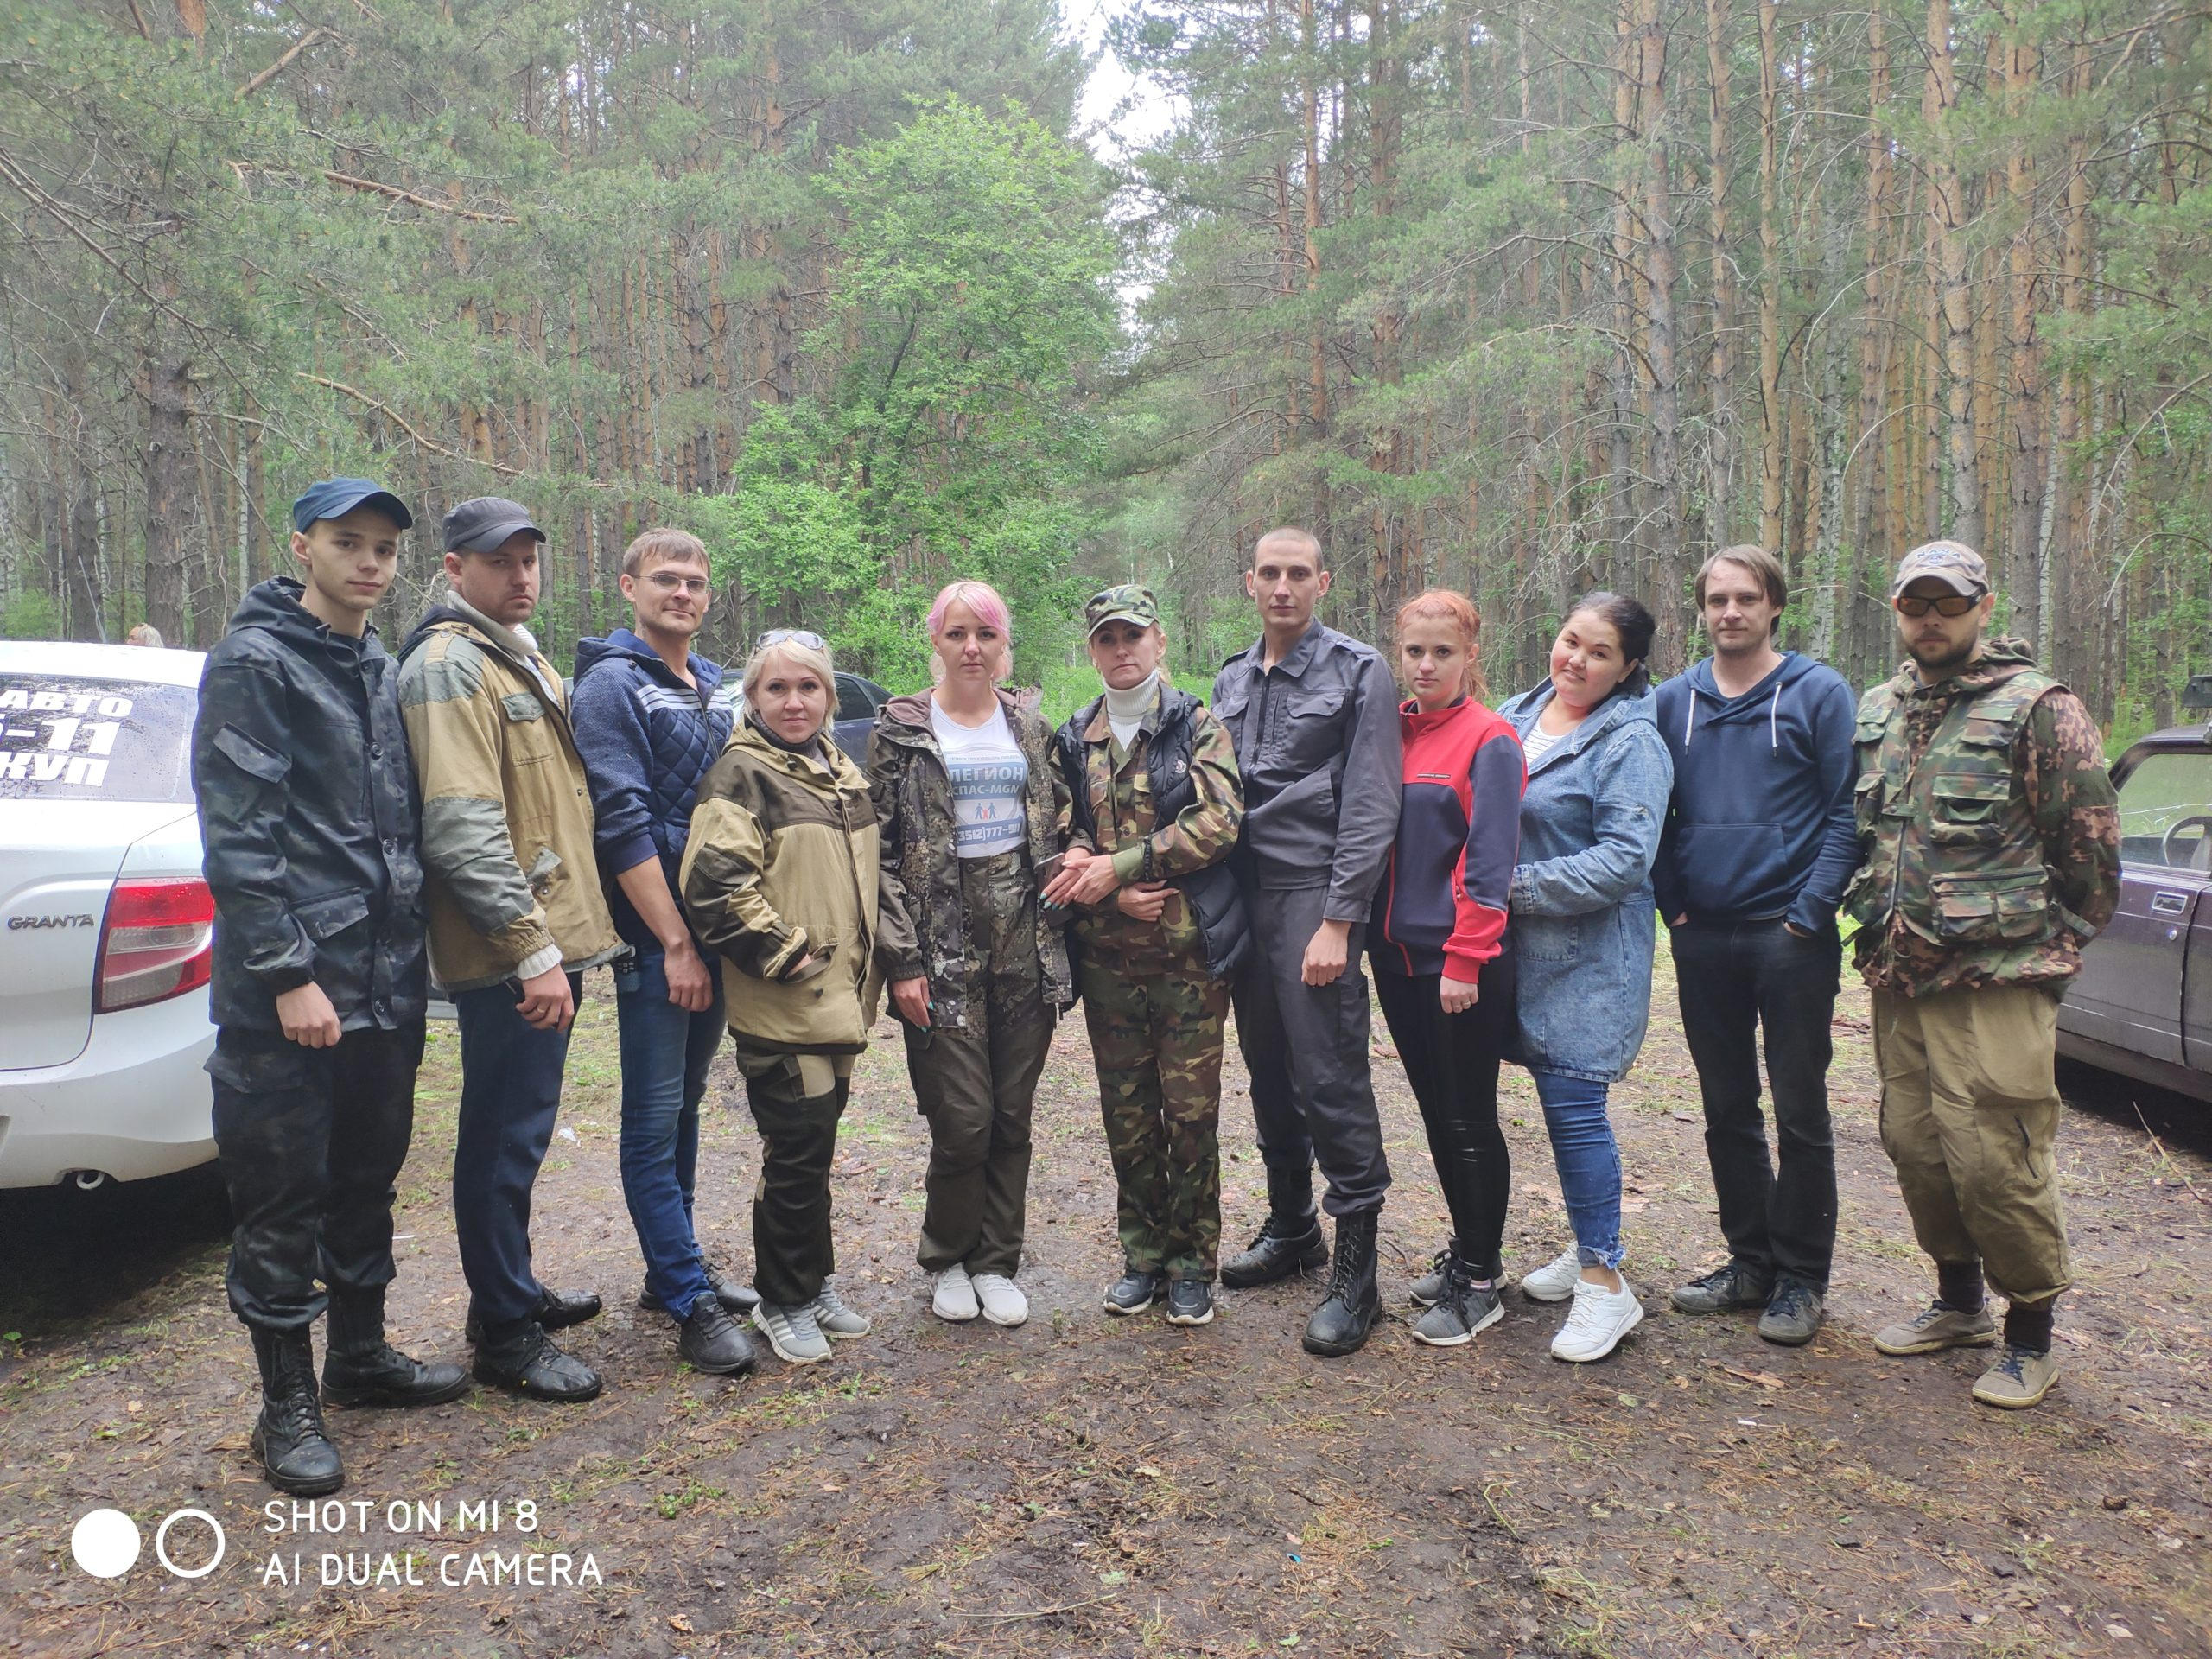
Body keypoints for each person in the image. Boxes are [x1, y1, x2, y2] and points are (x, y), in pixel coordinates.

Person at [193, 477, 464, 1496]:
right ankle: (285, 1406)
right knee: (282, 1200)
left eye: (387, 549)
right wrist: (287, 977)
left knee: (365, 1181)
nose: (370, 563)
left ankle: (359, 1357)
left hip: (387, 983)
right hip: (292, 999)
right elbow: (240, 841)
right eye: (349, 543)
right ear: (301, 546)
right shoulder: (256, 663)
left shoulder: (375, 663)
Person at [1847, 540, 2118, 1409]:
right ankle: (1957, 1304)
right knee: (1918, 1148)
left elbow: (2091, 853)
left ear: (1982, 607)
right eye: (1914, 603)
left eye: (1947, 603)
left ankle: (2029, 1333)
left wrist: (2048, 954)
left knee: (1994, 1155)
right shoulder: (1881, 708)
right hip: (1901, 973)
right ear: (1896, 610)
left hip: (1998, 977)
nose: (1930, 618)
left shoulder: (2039, 707)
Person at [397, 497, 624, 1402]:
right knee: (500, 1138)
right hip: (506, 955)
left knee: (519, 1134)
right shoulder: (450, 668)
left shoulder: (511, 656)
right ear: (454, 569)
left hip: (539, 943)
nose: (519, 577)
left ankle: (512, 1288)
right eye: (499, 562)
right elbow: (461, 829)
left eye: (529, 560)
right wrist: (532, 951)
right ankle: (503, 1332)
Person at [681, 630, 909, 1364]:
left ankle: (813, 1284)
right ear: (752, 698)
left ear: (829, 697)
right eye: (776, 688)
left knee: (815, 1148)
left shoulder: (839, 770)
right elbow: (712, 887)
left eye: (808, 687)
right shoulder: (743, 773)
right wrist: (790, 951)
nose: (794, 701)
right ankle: (781, 1298)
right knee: (796, 1153)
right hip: (787, 1003)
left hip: (839, 1000)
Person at [1653, 546, 1859, 1347]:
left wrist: (1810, 915)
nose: (1731, 612)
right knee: (1727, 1107)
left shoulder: (1816, 693)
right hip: (1703, 935)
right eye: (1717, 599)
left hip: (1791, 936)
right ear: (1701, 609)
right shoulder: (1674, 702)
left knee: (1800, 1110)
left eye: (1747, 598)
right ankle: (1749, 1262)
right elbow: (1654, 812)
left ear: (1775, 606)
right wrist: (1674, 908)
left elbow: (1846, 812)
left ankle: (1802, 1277)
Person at [1211, 528, 1402, 1357]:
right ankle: (1293, 1228)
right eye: (1269, 574)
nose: (1283, 587)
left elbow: (1369, 802)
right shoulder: (1226, 678)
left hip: (1309, 899)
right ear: (1248, 581)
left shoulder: (1357, 671)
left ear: (1322, 581)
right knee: (1266, 1069)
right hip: (1240, 897)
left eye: (1299, 574)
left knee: (1329, 1073)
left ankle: (1358, 1276)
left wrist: (1339, 921)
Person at [571, 527, 757, 1378]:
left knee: (683, 1112)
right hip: (661, 944)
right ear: (629, 587)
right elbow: (622, 823)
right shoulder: (611, 687)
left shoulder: (717, 689)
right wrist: (673, 941)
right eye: (664, 580)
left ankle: (667, 1269)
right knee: (651, 1123)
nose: (681, 594)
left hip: (718, 935)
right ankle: (689, 1301)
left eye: (694, 582)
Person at [1044, 585, 1248, 1328]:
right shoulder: (1073, 735)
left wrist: (1124, 867)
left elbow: (1219, 823)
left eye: (1134, 636)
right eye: (1107, 639)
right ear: (1092, 650)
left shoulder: (1196, 725)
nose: (1121, 650)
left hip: (1185, 958)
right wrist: (1098, 886)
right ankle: (1143, 1256)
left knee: (1190, 1113)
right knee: (1127, 1113)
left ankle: (1192, 1262)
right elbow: (1059, 826)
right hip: (1109, 960)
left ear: (1160, 642)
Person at [871, 581, 1072, 1329]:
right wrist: (903, 960)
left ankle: (997, 1261)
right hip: (940, 945)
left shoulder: (1027, 725)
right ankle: (948, 1256)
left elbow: (1061, 817)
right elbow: (879, 854)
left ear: (1002, 642)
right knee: (964, 1118)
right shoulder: (901, 732)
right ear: (936, 640)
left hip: (1024, 938)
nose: (971, 648)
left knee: (1011, 1114)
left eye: (985, 634)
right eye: (957, 633)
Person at [1498, 591, 1673, 1363]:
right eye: (1572, 641)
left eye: (1600, 653)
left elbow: (1625, 859)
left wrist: (1510, 886)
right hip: (1512, 958)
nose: (1577, 660)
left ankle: (1606, 1283)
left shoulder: (1633, 742)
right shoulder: (1517, 713)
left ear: (1629, 668)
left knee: (1575, 1111)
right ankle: (1587, 1241)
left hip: (1589, 961)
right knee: (1547, 1107)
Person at [1370, 589, 1524, 1349]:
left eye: (1443, 652)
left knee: (1468, 1118)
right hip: (1397, 961)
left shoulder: (1489, 739)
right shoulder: (1389, 734)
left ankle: (1483, 1278)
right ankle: (1466, 1250)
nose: (1426, 665)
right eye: (1414, 651)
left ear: (1471, 657)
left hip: (1459, 966)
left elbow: (1490, 861)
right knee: (1436, 1112)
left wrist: (1464, 957)